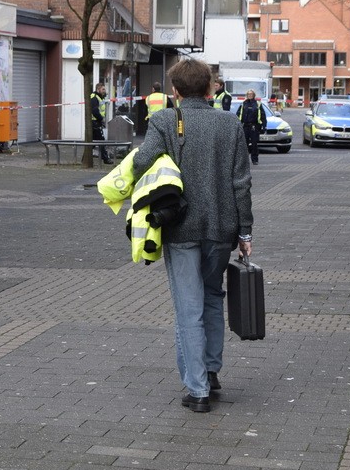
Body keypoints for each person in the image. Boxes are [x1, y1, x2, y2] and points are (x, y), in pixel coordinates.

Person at [132, 58, 253, 414]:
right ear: (210, 88)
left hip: (180, 227)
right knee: (213, 296)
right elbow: (241, 184)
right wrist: (245, 231)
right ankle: (212, 372)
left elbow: (141, 163)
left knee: (189, 307)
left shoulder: (165, 120)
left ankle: (197, 389)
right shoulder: (230, 123)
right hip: (221, 229)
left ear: (175, 92)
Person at [238, 88, 265, 165]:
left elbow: (263, 116)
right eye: (248, 94)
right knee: (244, 144)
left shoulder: (258, 104)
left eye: (251, 94)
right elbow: (238, 114)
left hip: (254, 126)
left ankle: (254, 159)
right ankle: (244, 161)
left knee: (254, 144)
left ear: (254, 95)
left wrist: (263, 126)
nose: (250, 95)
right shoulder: (243, 104)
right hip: (245, 126)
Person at [89, 82, 110, 163]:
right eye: (103, 89)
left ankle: (85, 159)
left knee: (93, 143)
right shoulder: (95, 97)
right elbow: (94, 111)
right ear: (98, 89)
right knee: (101, 141)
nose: (104, 91)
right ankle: (105, 159)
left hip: (96, 122)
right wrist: (101, 119)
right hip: (95, 122)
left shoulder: (100, 97)